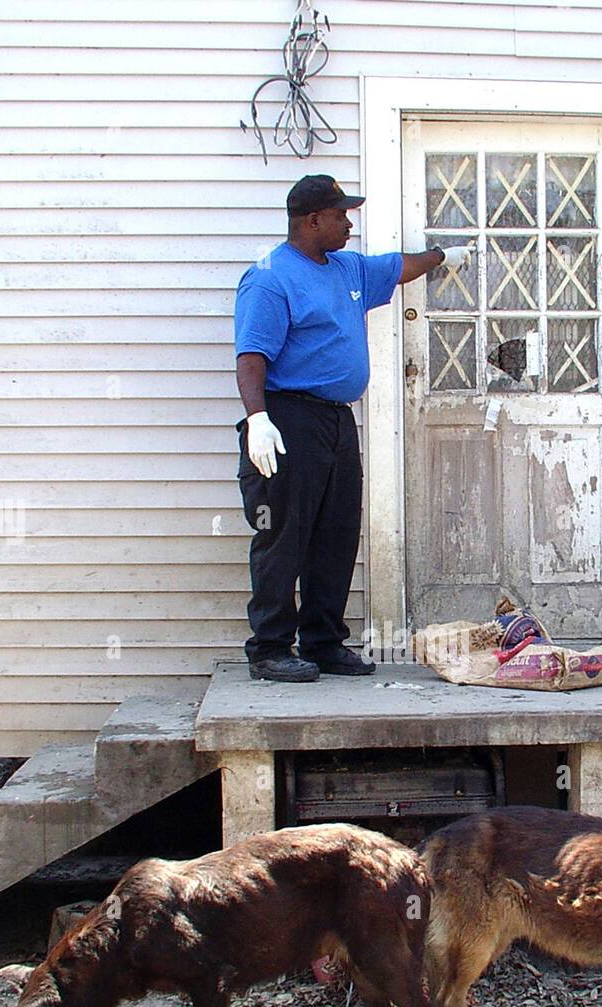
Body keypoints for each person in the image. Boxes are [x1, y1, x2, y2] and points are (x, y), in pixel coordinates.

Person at [234, 173, 471, 681]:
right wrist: (258, 420)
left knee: (335, 534)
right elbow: (251, 355)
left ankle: (322, 643)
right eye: (341, 215)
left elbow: (399, 267)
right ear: (312, 220)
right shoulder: (272, 277)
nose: (349, 223)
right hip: (286, 419)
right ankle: (270, 649)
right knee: (281, 534)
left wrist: (443, 257)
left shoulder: (346, 269)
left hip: (336, 422)